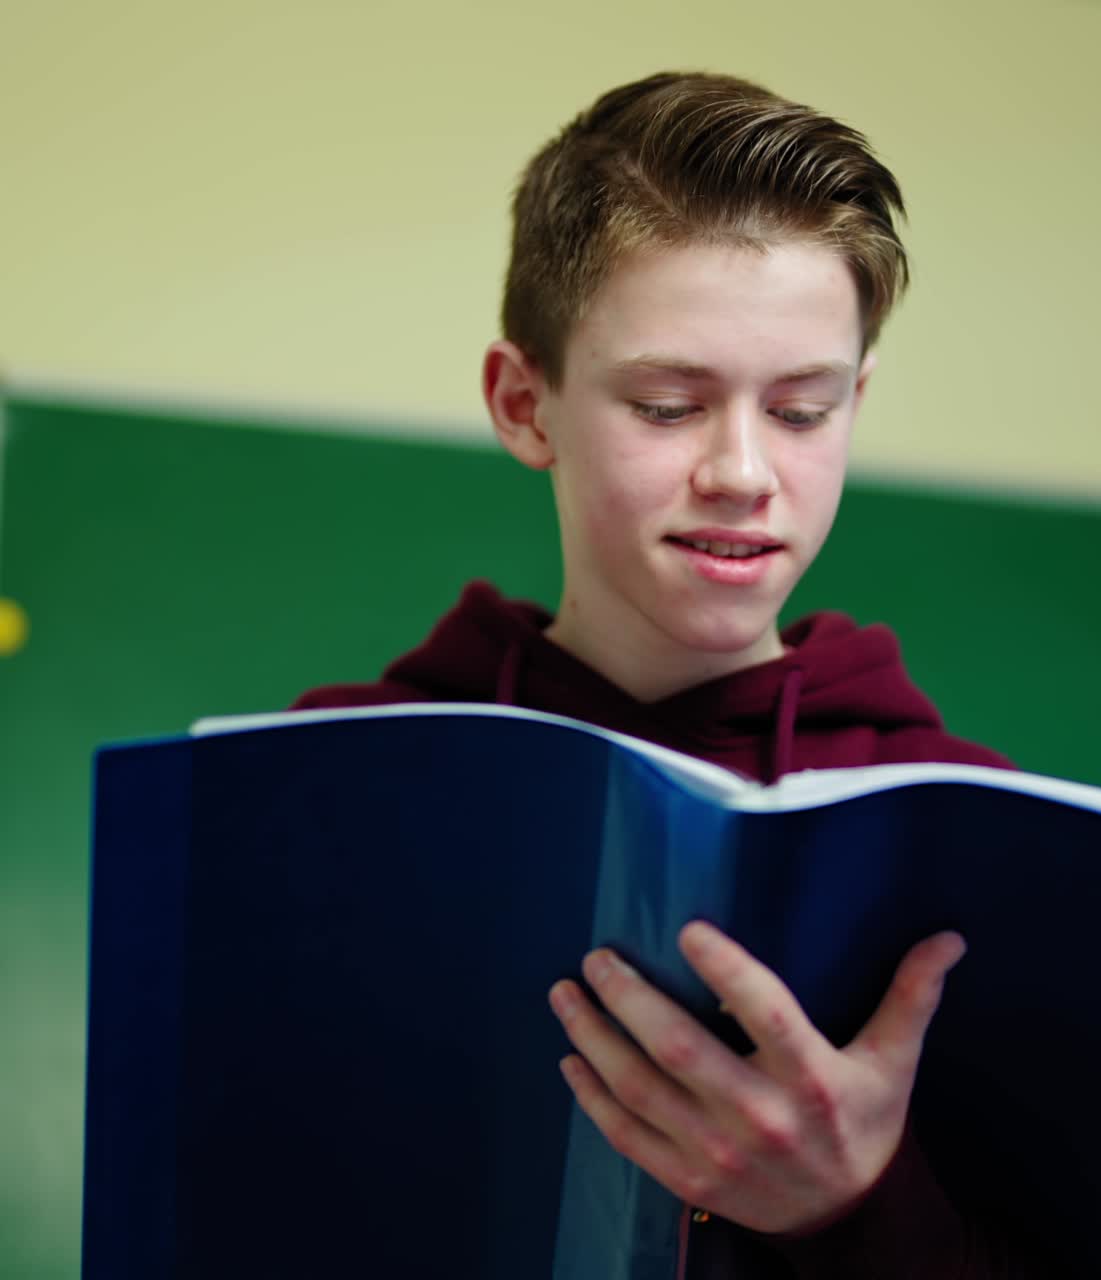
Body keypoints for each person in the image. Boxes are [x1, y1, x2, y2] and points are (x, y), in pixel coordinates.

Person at [295, 72, 1046, 1278]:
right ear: (522, 402)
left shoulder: (973, 824)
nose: (743, 471)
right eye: (665, 403)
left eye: (801, 412)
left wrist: (850, 1204)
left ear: (855, 402)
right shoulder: (331, 772)